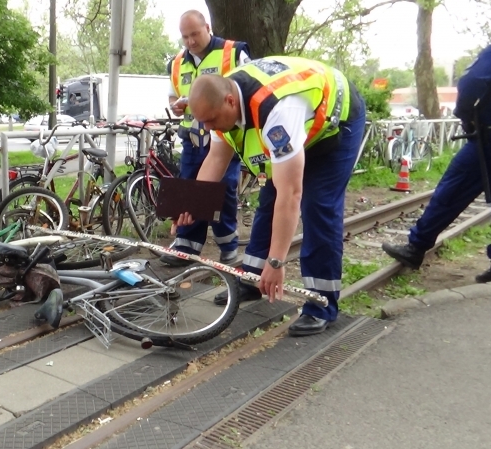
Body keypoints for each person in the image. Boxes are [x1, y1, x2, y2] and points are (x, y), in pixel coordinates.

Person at [173, 56, 367, 337]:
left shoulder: (277, 113)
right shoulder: (218, 106)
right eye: (205, 123)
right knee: (269, 193)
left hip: (336, 123)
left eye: (212, 121)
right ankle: (253, 279)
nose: (211, 129)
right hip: (297, 123)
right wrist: (191, 204)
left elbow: (291, 194)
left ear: (229, 102)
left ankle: (320, 302)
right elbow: (216, 158)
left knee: (318, 205)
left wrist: (277, 262)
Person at [382, 45, 491, 281]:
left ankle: (416, 247)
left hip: (487, 140)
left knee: (451, 191)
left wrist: (466, 117)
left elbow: (471, 82)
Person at [160, 10, 251, 267]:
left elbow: (248, 88)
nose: (190, 41)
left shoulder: (232, 52)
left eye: (195, 34)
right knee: (190, 186)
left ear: (207, 28)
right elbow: (171, 95)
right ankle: (187, 245)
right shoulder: (178, 62)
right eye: (185, 36)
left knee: (221, 190)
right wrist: (176, 106)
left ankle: (228, 246)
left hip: (225, 134)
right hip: (193, 137)